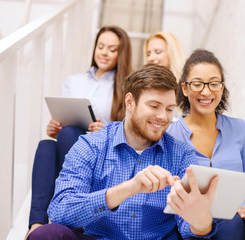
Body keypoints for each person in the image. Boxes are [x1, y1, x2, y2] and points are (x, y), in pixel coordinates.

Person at [26, 64, 219, 240]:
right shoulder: (91, 145)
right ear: (130, 102)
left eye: (169, 109)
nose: (163, 117)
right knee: (46, 234)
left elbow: (188, 229)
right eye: (154, 106)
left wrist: (201, 222)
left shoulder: (182, 154)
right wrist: (130, 187)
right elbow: (60, 210)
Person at [27, 25, 132, 236]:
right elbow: (63, 120)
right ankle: (35, 224)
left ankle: (74, 205)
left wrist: (105, 130)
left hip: (101, 156)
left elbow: (127, 131)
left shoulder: (125, 88)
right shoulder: (74, 81)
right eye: (100, 46)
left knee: (67, 135)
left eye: (112, 49)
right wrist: (55, 127)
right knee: (47, 145)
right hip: (69, 144)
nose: (104, 52)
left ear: (121, 54)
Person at [167, 49, 245, 240]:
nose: (206, 91)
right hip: (196, 220)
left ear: (221, 88)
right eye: (197, 84)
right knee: (229, 224)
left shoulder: (240, 129)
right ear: (185, 89)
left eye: (213, 83)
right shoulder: (170, 135)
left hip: (242, 209)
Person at [145, 31, 186, 120]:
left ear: (172, 54)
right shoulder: (144, 86)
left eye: (158, 52)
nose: (151, 58)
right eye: (148, 54)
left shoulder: (186, 88)